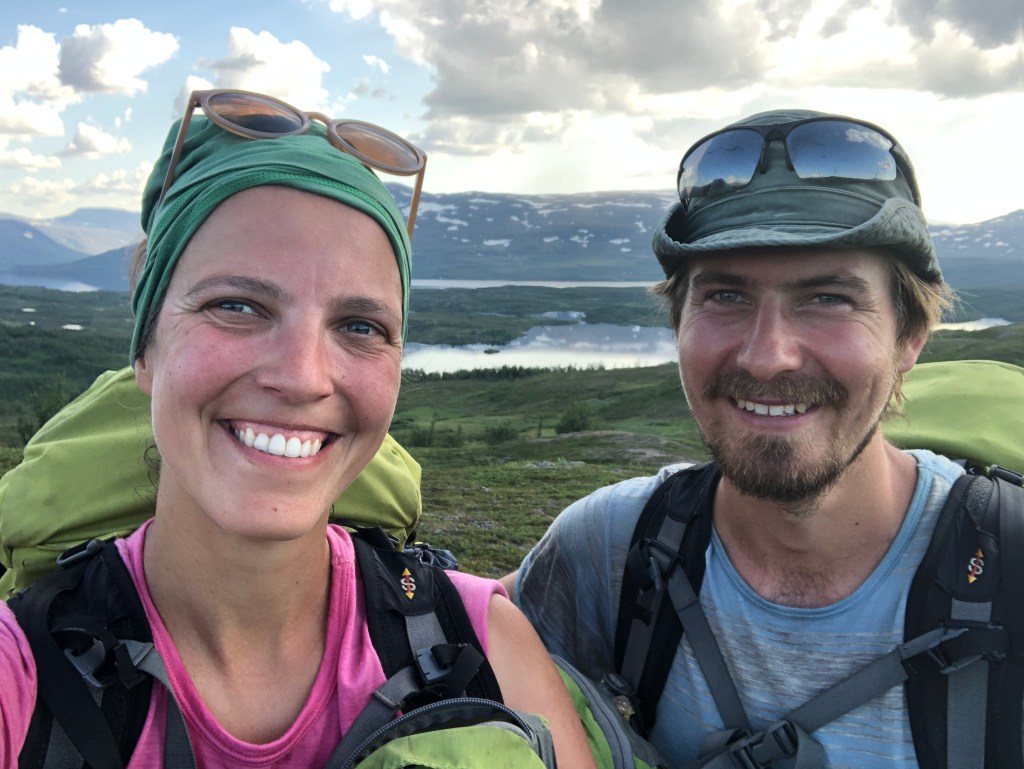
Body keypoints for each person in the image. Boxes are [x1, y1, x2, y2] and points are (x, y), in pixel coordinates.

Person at [0, 89, 594, 769]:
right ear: (146, 351)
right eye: (237, 306)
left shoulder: (484, 645)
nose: (303, 377)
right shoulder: (21, 675)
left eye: (360, 325)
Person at [504, 108, 977, 767]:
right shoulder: (608, 551)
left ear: (909, 339)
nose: (767, 357)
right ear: (679, 325)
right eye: (726, 296)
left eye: (828, 298)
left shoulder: (1005, 565)